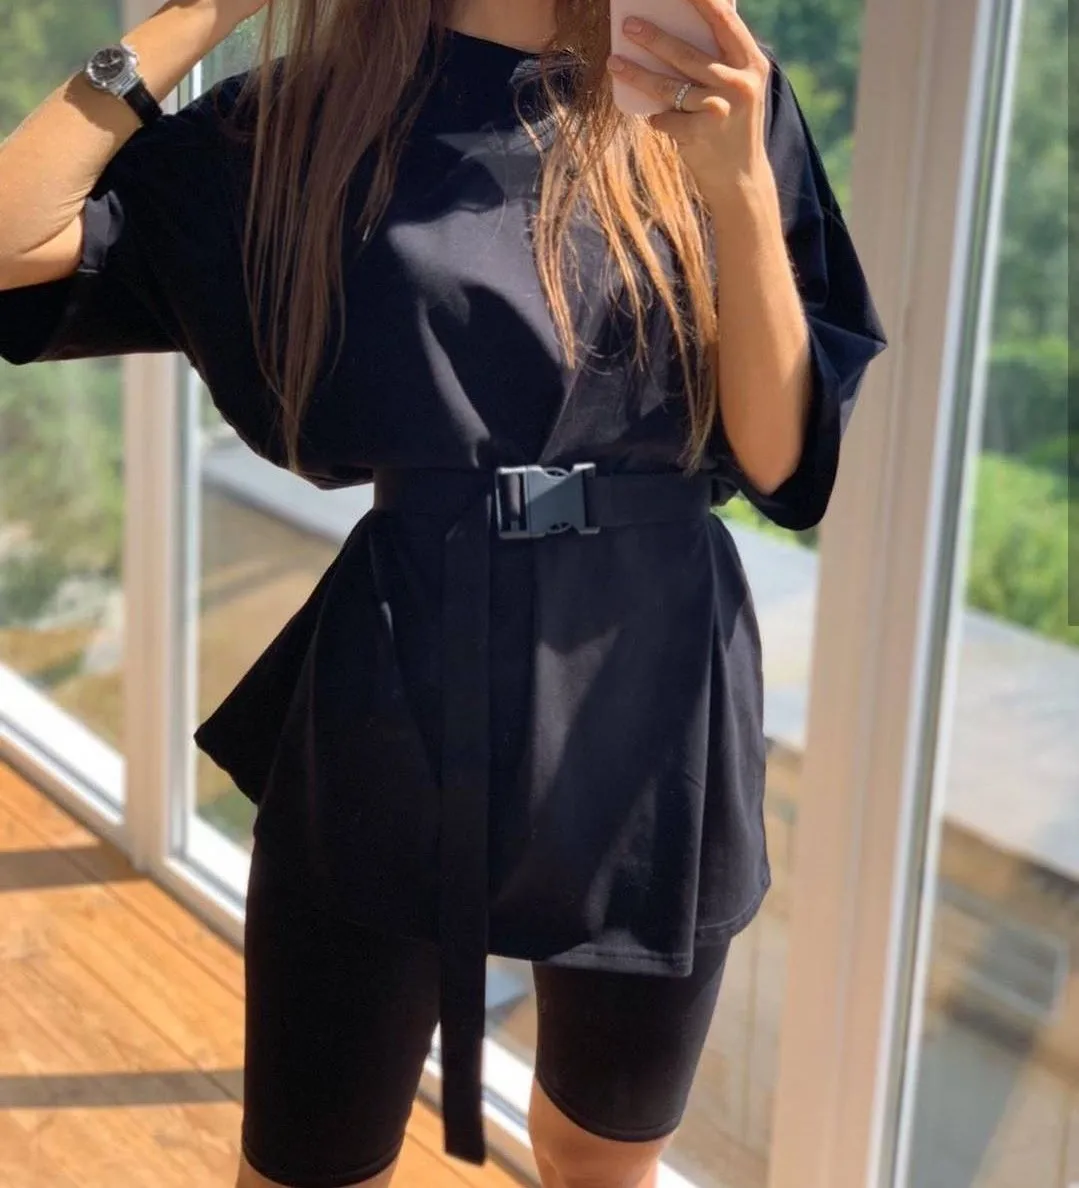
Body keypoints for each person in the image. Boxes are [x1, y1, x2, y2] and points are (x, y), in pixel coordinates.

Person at [0, 0, 887, 1185]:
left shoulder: (708, 88)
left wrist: (733, 186)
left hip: (652, 693)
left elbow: (781, 465)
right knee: (311, 1164)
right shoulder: (309, 117)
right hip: (399, 676)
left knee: (596, 1157)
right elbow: (14, 239)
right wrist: (202, 13)